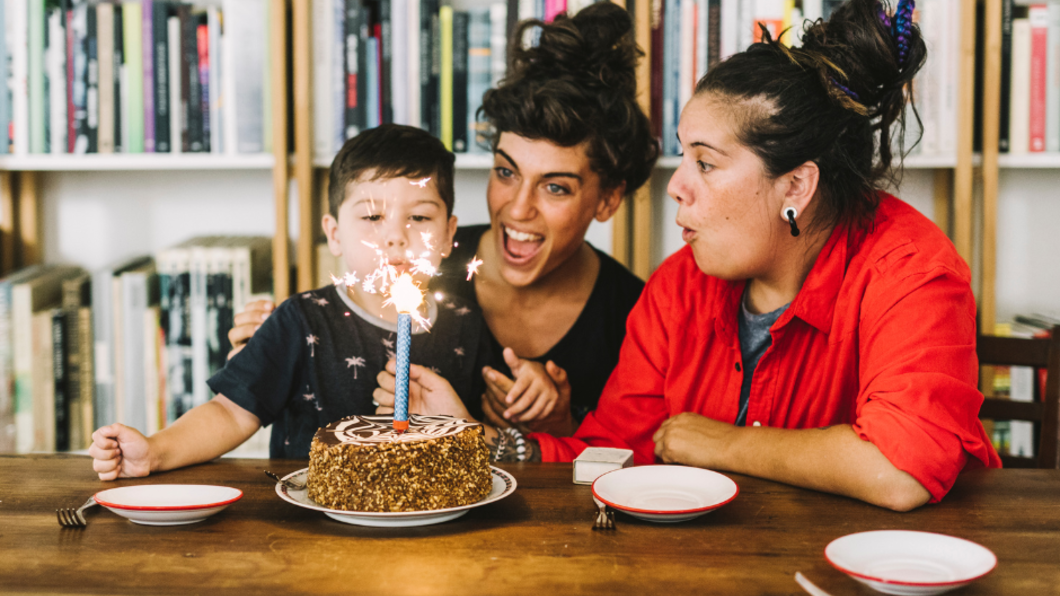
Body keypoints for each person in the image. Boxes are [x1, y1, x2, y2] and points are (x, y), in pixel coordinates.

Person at [371, 0, 1002, 511]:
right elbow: (612, 453)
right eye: (682, 156)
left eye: (705, 162)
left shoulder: (913, 271)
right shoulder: (678, 287)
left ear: (797, 186)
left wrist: (718, 442)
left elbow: (900, 470)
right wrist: (484, 442)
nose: (676, 184)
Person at [229, 2, 659, 437]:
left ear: (607, 199)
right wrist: (262, 354)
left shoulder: (633, 318)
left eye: (555, 187)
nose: (518, 208)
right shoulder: (417, 255)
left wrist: (560, 427)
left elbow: (619, 466)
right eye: (506, 173)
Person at [89, 124, 492, 479]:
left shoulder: (467, 323)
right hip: (312, 529)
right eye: (372, 218)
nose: (395, 237)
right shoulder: (301, 321)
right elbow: (230, 412)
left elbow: (487, 432)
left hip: (434, 528)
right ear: (334, 234)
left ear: (447, 235)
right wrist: (155, 452)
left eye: (419, 218)